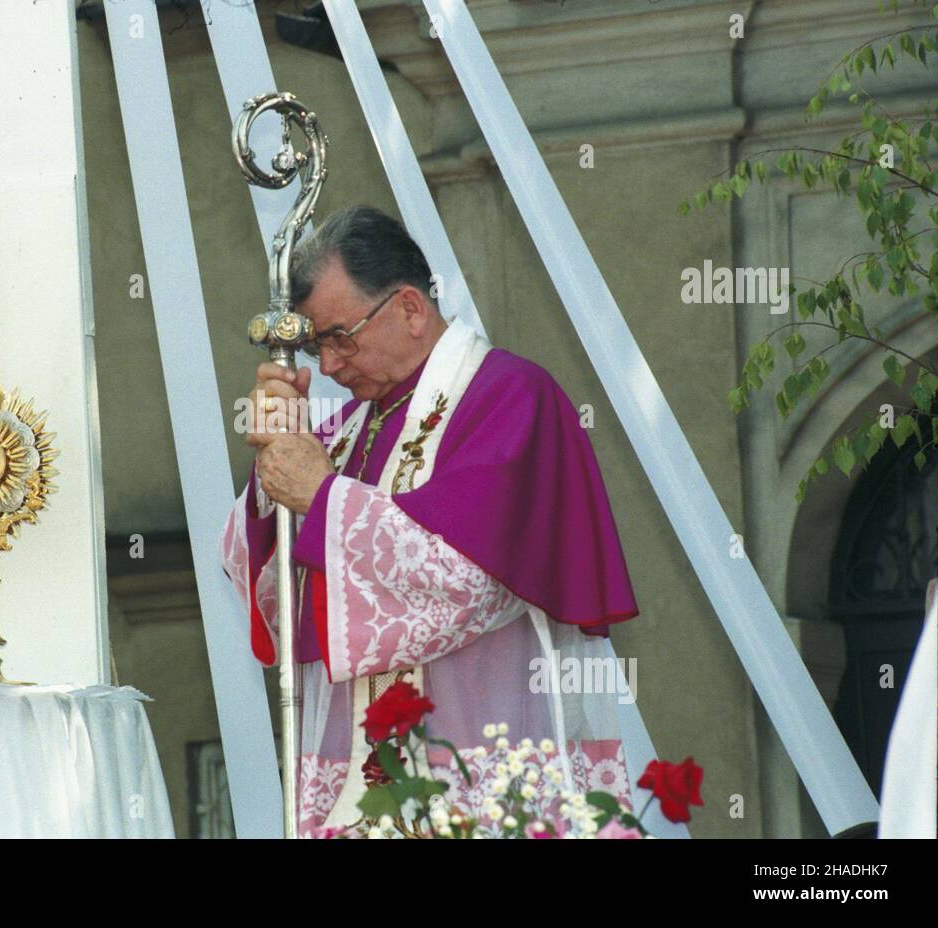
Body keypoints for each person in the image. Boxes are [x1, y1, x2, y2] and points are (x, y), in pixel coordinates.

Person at [220, 205, 641, 836]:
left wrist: (320, 494)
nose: (329, 366)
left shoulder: (511, 398)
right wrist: (274, 471)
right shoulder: (346, 432)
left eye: (339, 336)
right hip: (364, 779)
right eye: (315, 347)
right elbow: (273, 589)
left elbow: (469, 585)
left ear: (410, 308)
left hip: (481, 756)